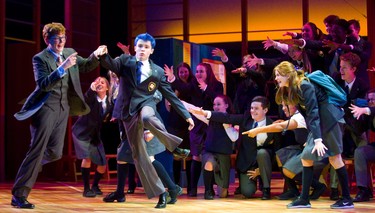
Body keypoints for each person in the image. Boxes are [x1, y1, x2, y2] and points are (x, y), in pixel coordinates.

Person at [12, 22, 106, 209]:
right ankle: (19, 195)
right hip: (46, 108)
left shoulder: (69, 52)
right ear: (47, 40)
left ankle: (34, 163)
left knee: (55, 152)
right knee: (36, 150)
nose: (61, 42)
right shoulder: (40, 59)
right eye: (57, 39)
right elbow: (43, 84)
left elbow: (86, 66)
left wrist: (95, 55)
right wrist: (62, 67)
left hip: (64, 109)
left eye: (63, 38)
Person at [99, 33, 194, 208]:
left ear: (152, 50)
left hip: (145, 121)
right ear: (135, 47)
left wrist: (186, 115)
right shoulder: (125, 63)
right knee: (123, 156)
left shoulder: (156, 73)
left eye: (146, 47)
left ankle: (168, 187)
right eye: (139, 46)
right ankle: (122, 193)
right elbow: (110, 64)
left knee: (146, 158)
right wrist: (103, 55)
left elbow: (167, 96)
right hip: (127, 119)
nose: (142, 49)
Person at [273, 61, 353, 209]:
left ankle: (347, 198)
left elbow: (313, 111)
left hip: (330, 120)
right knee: (306, 158)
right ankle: (304, 199)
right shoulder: (293, 88)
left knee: (335, 158)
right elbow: (306, 114)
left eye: (278, 75)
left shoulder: (304, 85)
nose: (276, 78)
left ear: (287, 75)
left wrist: (317, 139)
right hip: (319, 124)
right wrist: (313, 135)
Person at [190, 96, 279, 199]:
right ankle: (244, 186)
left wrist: (262, 169)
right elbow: (227, 118)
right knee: (247, 192)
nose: (252, 111)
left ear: (265, 110)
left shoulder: (272, 125)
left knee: (262, 153)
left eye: (256, 108)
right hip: (248, 163)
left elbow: (276, 150)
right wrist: (206, 113)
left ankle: (266, 189)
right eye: (251, 108)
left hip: (263, 162)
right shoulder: (246, 119)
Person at [243, 102, 327, 201]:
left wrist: (257, 130)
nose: (283, 108)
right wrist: (284, 122)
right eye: (282, 105)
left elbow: (281, 127)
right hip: (302, 148)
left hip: (316, 151)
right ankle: (293, 190)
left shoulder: (299, 116)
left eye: (286, 105)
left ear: (295, 105)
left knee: (287, 170)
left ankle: (318, 186)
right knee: (280, 156)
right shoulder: (296, 116)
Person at [165, 62, 223, 197]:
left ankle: (210, 188)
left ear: (208, 72)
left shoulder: (217, 85)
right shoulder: (193, 85)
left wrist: (206, 88)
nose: (198, 74)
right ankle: (192, 188)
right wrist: (173, 78)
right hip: (197, 126)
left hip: (211, 125)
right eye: (197, 71)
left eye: (201, 71)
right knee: (196, 156)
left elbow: (218, 99)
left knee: (210, 156)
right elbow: (183, 89)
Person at [186, 95, 238, 199]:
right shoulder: (211, 118)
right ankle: (208, 190)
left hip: (223, 156)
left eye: (219, 104)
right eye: (214, 104)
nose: (215, 106)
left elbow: (234, 138)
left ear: (226, 105)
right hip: (210, 152)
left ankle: (220, 186)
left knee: (222, 194)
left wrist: (228, 125)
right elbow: (194, 110)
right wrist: (179, 101)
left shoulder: (232, 119)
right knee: (209, 163)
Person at [72, 76, 113, 197]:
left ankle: (95, 185)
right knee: (87, 157)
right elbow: (86, 98)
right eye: (96, 81)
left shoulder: (109, 103)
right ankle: (86, 189)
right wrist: (91, 89)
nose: (99, 83)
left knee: (102, 163)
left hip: (94, 134)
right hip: (82, 132)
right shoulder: (91, 98)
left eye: (102, 82)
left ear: (107, 87)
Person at [349, 88, 375, 202]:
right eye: (369, 99)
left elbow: (371, 110)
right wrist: (356, 117)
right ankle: (364, 190)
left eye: (374, 99)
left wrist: (365, 110)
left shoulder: (370, 110)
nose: (371, 101)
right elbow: (360, 130)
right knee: (360, 152)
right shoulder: (370, 114)